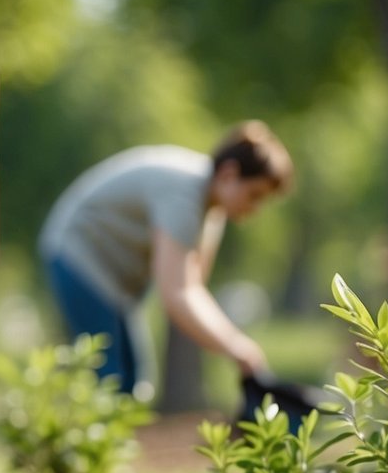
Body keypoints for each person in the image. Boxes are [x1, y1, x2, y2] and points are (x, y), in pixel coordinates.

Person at [38, 121, 292, 395]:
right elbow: (178, 295)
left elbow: (194, 287)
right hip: (77, 254)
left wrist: (238, 349)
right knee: (110, 379)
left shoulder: (210, 210)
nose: (254, 209)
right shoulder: (184, 196)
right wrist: (238, 348)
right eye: (253, 195)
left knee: (135, 384)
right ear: (229, 174)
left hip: (116, 282)